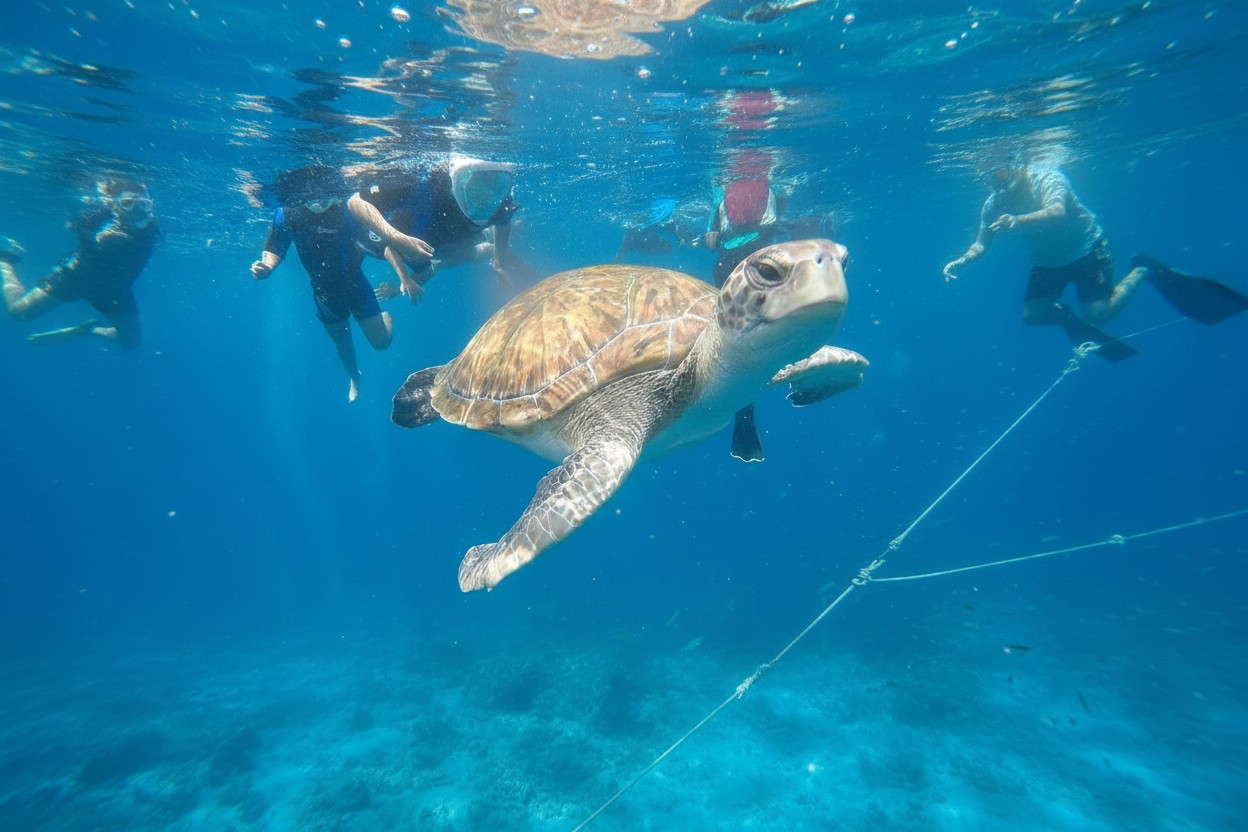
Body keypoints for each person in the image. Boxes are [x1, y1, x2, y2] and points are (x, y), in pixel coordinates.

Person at [943, 163, 1247, 360]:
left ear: (1014, 165)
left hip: (1087, 250)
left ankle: (1144, 270)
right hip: (1047, 262)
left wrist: (1017, 220)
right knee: (1032, 316)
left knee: (1098, 314)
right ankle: (1064, 315)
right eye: (987, 178)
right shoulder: (994, 204)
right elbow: (981, 242)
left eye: (998, 172)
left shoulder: (1046, 178)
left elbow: (1056, 211)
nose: (994, 181)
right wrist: (962, 261)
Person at [250, 164, 394, 403]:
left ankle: (383, 317)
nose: (317, 203)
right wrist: (267, 266)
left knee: (381, 343)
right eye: (310, 200)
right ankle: (354, 377)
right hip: (323, 291)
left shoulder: (347, 208)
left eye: (324, 198)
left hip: (355, 284)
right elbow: (276, 244)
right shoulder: (289, 211)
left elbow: (377, 239)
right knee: (342, 343)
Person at [2, 178, 159, 348]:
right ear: (114, 206)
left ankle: (87, 329)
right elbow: (82, 224)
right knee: (18, 313)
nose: (136, 209)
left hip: (115, 290)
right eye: (127, 203)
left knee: (130, 342)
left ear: (151, 205)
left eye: (142, 204)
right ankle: (5, 261)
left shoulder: (151, 226)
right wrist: (75, 219)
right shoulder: (99, 224)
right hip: (73, 280)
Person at [704, 150, 788, 462]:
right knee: (751, 343)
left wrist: (717, 231)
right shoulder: (772, 191)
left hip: (731, 272)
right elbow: (775, 223)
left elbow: (710, 240)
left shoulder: (723, 194)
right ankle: (743, 416)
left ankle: (741, 415)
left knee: (732, 345)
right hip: (763, 271)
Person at [346, 157, 518, 304]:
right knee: (453, 258)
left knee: (459, 255)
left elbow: (503, 220)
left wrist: (499, 264)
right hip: (436, 243)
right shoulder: (426, 185)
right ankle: (489, 236)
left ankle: (494, 234)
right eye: (477, 185)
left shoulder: (499, 200)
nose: (484, 195)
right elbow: (354, 201)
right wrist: (398, 239)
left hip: (448, 237)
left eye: (492, 183)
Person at [614, 197, 700, 262]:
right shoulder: (635, 236)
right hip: (660, 210)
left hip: (662, 209)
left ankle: (689, 238)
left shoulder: (639, 230)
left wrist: (683, 237)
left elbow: (672, 223)